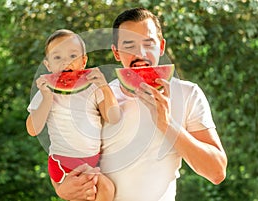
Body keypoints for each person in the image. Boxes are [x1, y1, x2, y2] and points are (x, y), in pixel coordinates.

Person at [55, 8, 228, 201]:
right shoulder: (97, 97)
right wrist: (61, 187)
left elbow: (217, 171)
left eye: (148, 43)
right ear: (116, 53)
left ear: (161, 47)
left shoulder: (187, 94)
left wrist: (167, 124)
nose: (140, 53)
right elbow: (64, 150)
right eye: (129, 46)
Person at [26, 29, 120, 201]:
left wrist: (105, 88)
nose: (65, 62)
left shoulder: (93, 88)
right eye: (57, 57)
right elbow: (33, 129)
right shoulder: (45, 92)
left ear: (84, 61)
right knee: (106, 187)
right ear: (48, 66)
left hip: (91, 162)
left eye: (72, 56)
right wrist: (47, 98)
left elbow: (113, 117)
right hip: (64, 161)